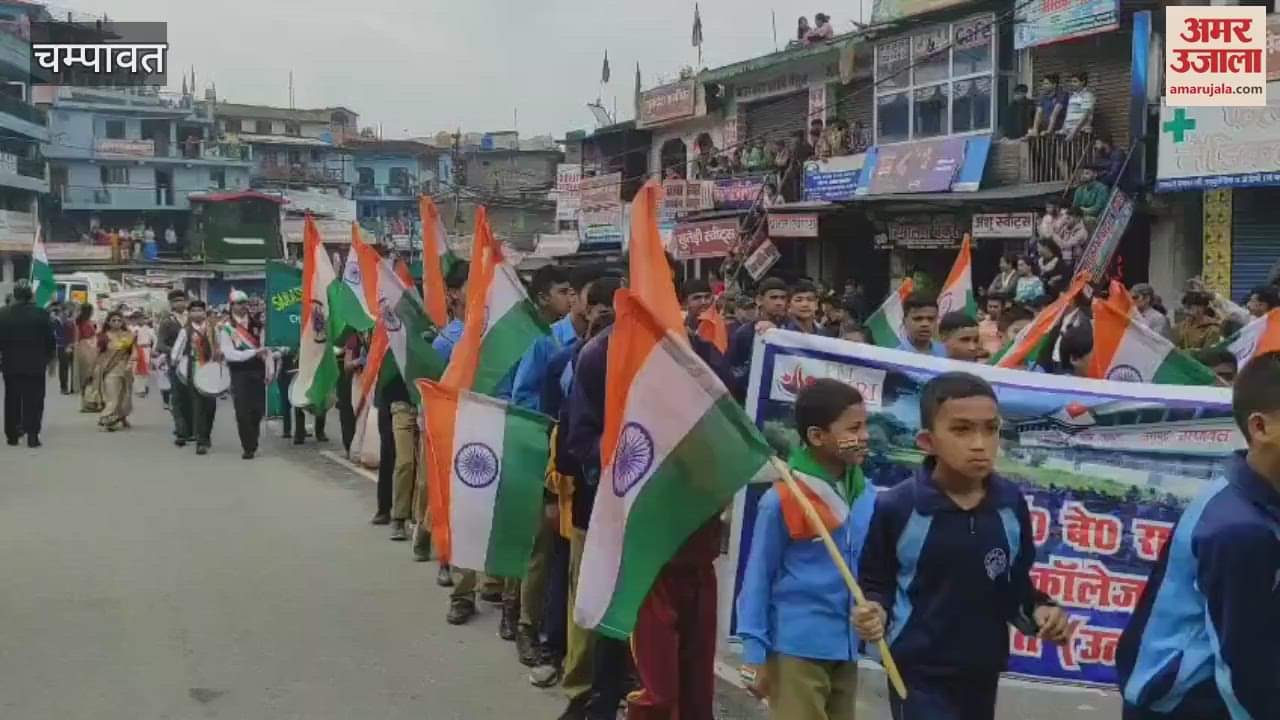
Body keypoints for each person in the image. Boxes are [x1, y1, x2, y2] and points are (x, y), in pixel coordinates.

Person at [855, 372, 1071, 720]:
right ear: (927, 441)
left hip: (982, 670)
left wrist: (1040, 611)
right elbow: (876, 584)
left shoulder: (1010, 504)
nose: (979, 444)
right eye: (961, 430)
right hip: (917, 672)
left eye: (991, 429)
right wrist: (874, 614)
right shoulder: (899, 507)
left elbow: (1014, 585)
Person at [1117, 352, 1280, 719]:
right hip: (1189, 704)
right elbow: (1243, 670)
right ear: (1259, 428)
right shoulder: (1240, 529)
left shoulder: (1250, 496)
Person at [737, 379, 876, 720]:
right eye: (854, 428)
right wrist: (754, 654)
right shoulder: (784, 499)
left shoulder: (865, 494)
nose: (866, 436)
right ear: (817, 436)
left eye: (866, 425)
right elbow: (758, 578)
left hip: (845, 646)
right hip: (796, 648)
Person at [0, 281, 55, 447]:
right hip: (35, 365)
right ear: (31, 295)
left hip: (10, 365)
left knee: (12, 399)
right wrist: (51, 359)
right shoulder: (41, 314)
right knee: (34, 400)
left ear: (15, 295)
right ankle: (32, 435)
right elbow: (50, 339)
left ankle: (12, 435)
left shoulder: (3, 314)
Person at [219, 291, 270, 459]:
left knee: (258, 410)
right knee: (242, 412)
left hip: (257, 370)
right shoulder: (226, 328)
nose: (242, 306)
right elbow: (229, 354)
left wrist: (269, 367)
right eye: (239, 303)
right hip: (239, 372)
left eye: (244, 303)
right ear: (231, 305)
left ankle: (253, 439)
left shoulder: (257, 324)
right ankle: (248, 447)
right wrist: (253, 352)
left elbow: (266, 348)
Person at [170, 300, 218, 455]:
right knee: (198, 405)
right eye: (194, 311)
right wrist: (176, 365)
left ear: (205, 312)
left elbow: (220, 347)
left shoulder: (213, 329)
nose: (197, 313)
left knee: (210, 406)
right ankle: (200, 441)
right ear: (189, 314)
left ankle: (206, 435)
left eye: (200, 310)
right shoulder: (186, 331)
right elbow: (176, 352)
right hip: (194, 368)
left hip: (211, 369)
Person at [729, 277, 790, 396]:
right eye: (773, 298)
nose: (779, 303)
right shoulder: (744, 333)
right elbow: (735, 373)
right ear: (759, 300)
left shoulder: (792, 330)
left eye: (783, 298)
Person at [155, 289, 189, 438]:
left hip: (193, 362)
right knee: (177, 396)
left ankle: (191, 427)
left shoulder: (192, 319)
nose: (179, 303)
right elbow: (160, 345)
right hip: (175, 363)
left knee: (191, 397)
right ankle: (181, 429)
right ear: (171, 304)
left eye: (182, 300)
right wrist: (175, 351)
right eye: (176, 301)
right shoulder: (167, 322)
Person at [95, 310, 136, 431]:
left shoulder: (128, 335)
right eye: (114, 320)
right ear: (108, 322)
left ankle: (121, 417)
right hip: (110, 369)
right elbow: (98, 354)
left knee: (125, 395)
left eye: (119, 320)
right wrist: (95, 369)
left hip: (126, 369)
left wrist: (131, 363)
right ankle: (105, 419)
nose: (117, 322)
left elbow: (134, 351)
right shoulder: (104, 336)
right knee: (112, 396)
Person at [75, 303, 103, 413]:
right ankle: (91, 402)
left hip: (82, 349)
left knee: (85, 377)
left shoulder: (80, 322)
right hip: (88, 349)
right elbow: (89, 337)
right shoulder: (86, 323)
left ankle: (85, 403)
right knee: (92, 375)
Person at [900, 292, 946, 356]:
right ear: (904, 321)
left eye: (931, 319)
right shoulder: (893, 356)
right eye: (918, 318)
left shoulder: (947, 353)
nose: (925, 324)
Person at [1059, 71, 1095, 140]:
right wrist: (1063, 128)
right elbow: (1068, 115)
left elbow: (1085, 115)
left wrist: (1074, 131)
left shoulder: (1087, 95)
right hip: (1068, 132)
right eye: (1071, 82)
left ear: (1083, 82)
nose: (1072, 84)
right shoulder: (1072, 97)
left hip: (1081, 133)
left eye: (1075, 82)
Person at [51, 303, 75, 394]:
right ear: (61, 311)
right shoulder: (56, 322)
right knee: (64, 367)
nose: (67, 313)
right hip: (62, 347)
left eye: (69, 311)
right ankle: (64, 387)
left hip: (72, 346)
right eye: (65, 311)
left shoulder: (70, 321)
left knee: (73, 368)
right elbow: (56, 335)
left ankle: (73, 386)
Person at [132, 312, 154, 397]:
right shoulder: (134, 329)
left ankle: (144, 387)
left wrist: (153, 350)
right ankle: (140, 389)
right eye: (138, 318)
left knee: (145, 370)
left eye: (142, 318)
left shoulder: (149, 329)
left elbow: (154, 340)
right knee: (137, 371)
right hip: (137, 350)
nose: (140, 320)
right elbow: (131, 341)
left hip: (146, 350)